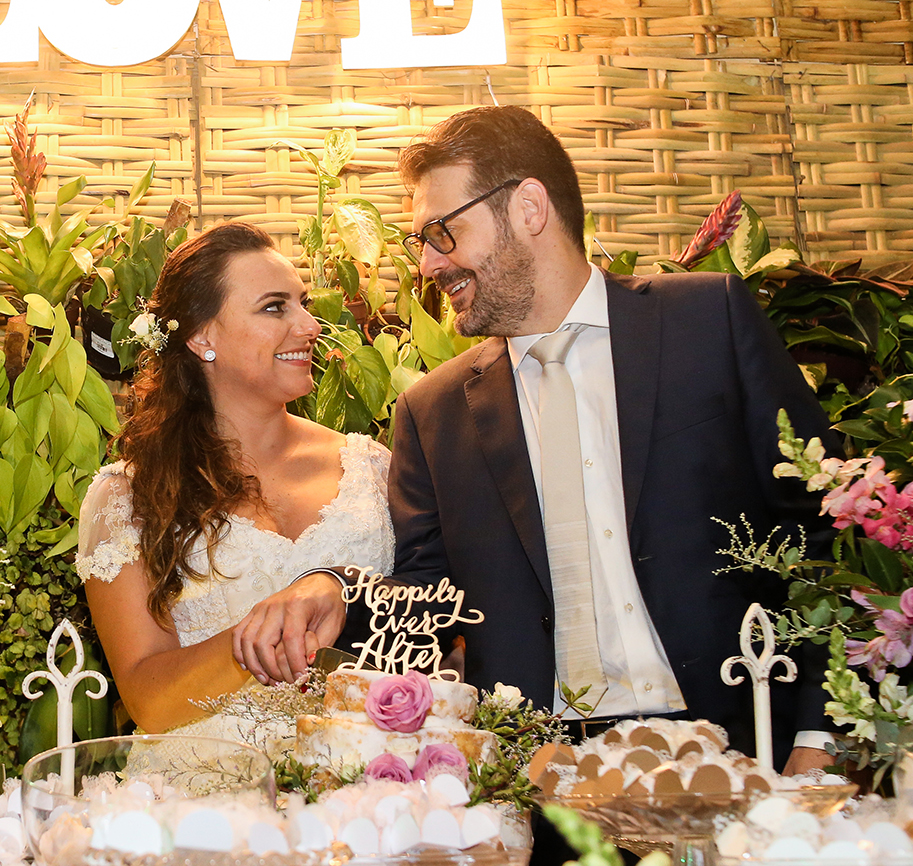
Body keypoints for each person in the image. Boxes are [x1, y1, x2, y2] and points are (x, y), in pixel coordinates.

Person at [231, 105, 839, 773]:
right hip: (540, 776)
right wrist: (337, 591)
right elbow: (431, 602)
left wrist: (817, 736)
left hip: (744, 746)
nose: (428, 263)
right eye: (421, 242)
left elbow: (825, 527)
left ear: (528, 207)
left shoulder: (708, 321)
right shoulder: (432, 413)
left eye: (442, 232)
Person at [76, 222, 392, 760]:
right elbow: (147, 699)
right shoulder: (127, 498)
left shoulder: (372, 468)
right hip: (208, 786)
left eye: (302, 303)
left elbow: (431, 614)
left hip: (369, 776)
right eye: (274, 307)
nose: (309, 325)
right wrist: (260, 636)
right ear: (202, 337)